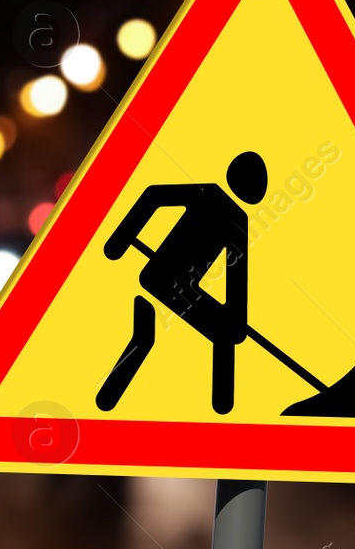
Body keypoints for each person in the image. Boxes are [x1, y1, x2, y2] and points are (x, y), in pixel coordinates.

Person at [97, 151, 267, 415]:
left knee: (225, 332)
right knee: (216, 333)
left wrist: (234, 321)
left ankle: (223, 407)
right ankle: (109, 397)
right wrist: (119, 240)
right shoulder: (210, 197)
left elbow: (236, 275)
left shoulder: (235, 218)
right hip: (162, 277)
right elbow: (154, 196)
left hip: (182, 288)